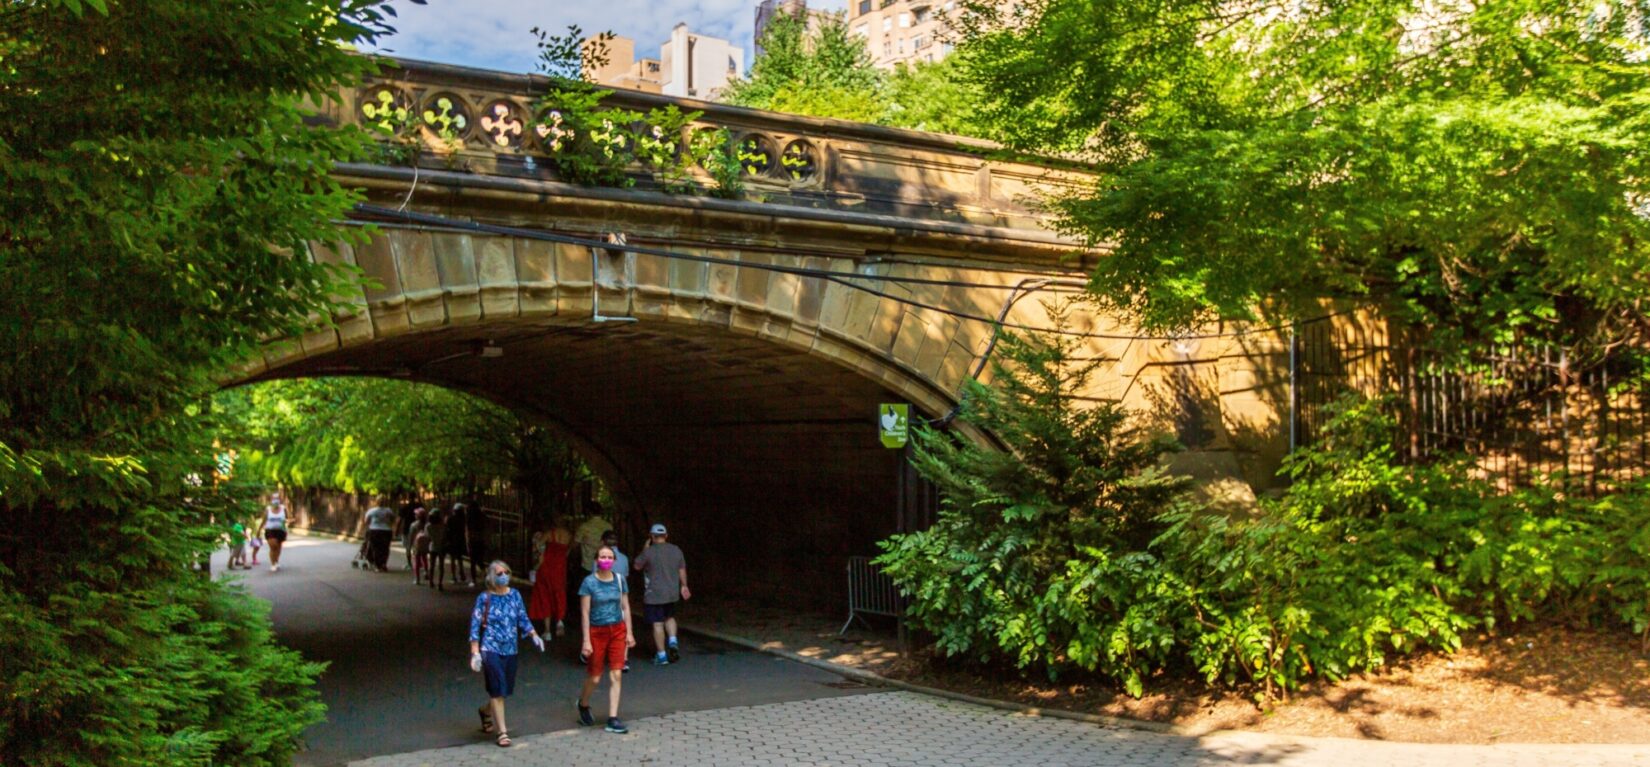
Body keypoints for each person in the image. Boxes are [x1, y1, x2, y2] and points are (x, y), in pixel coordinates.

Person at [468, 560, 544, 748]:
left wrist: (534, 635)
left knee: (504, 689)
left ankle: (486, 711)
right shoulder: (484, 598)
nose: (504, 576)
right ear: (492, 578)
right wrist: (475, 652)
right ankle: (502, 732)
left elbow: (522, 618)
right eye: (499, 573)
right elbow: (475, 626)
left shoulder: (515, 595)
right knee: (497, 688)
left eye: (506, 572)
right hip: (490, 648)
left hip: (511, 649)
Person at [576, 545, 634, 734]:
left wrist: (630, 633)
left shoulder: (619, 580)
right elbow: (585, 612)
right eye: (603, 556)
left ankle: (613, 718)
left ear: (614, 561)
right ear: (596, 560)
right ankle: (583, 703)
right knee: (595, 676)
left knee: (616, 673)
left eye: (610, 557)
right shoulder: (589, 582)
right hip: (597, 631)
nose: (606, 560)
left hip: (617, 629)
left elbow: (625, 607)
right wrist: (586, 640)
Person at [633, 523, 689, 665]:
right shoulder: (676, 550)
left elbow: (637, 566)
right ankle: (672, 641)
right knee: (669, 617)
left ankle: (662, 655)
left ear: (652, 536)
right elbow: (682, 570)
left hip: (654, 594)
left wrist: (644, 549)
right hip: (671, 592)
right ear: (666, 536)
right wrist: (684, 585)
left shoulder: (649, 551)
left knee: (657, 624)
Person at [528, 521, 573, 636]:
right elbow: (569, 550)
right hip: (560, 567)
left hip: (547, 567)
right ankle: (559, 621)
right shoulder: (568, 535)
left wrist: (536, 545)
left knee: (544, 595)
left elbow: (538, 546)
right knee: (559, 593)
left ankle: (547, 631)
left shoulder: (549, 533)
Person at [363, 496, 396, 572]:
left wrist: (370, 525)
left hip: (375, 530)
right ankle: (383, 563)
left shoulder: (372, 511)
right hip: (386, 531)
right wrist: (389, 524)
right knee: (385, 548)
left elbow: (366, 521)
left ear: (376, 502)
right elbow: (393, 519)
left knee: (376, 548)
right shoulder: (388, 510)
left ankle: (378, 565)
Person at [259, 501, 289, 573]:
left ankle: (276, 561)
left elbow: (286, 518)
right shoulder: (268, 509)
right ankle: (273, 564)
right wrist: (259, 530)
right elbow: (264, 520)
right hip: (270, 530)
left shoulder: (283, 509)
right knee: (273, 546)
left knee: (278, 547)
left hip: (281, 530)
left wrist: (286, 525)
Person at [444, 503, 469, 587]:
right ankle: (462, 574)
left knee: (453, 559)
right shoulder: (463, 519)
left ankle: (454, 576)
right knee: (460, 558)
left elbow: (446, 529)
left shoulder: (450, 519)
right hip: (460, 540)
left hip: (452, 540)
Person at [467, 502, 489, 587]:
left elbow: (468, 531)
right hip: (480, 539)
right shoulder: (481, 517)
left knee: (472, 561)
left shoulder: (469, 518)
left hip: (473, 540)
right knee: (480, 559)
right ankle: (485, 574)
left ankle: (474, 580)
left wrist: (468, 542)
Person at [396, 498, 421, 572]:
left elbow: (399, 519)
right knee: (417, 547)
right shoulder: (419, 506)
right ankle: (418, 563)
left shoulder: (405, 507)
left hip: (407, 529)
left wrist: (397, 530)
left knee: (408, 547)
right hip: (418, 528)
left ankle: (409, 564)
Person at [427, 509, 448, 591]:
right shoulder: (443, 526)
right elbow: (445, 537)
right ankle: (440, 583)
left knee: (432, 565)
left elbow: (428, 537)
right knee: (441, 565)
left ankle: (431, 581)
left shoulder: (428, 526)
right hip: (441, 547)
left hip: (432, 546)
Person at [411, 507, 431, 585]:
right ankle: (426, 572)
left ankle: (417, 579)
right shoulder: (427, 524)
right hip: (425, 544)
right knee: (424, 558)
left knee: (416, 561)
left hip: (416, 544)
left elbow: (411, 535)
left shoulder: (414, 525)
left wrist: (410, 545)